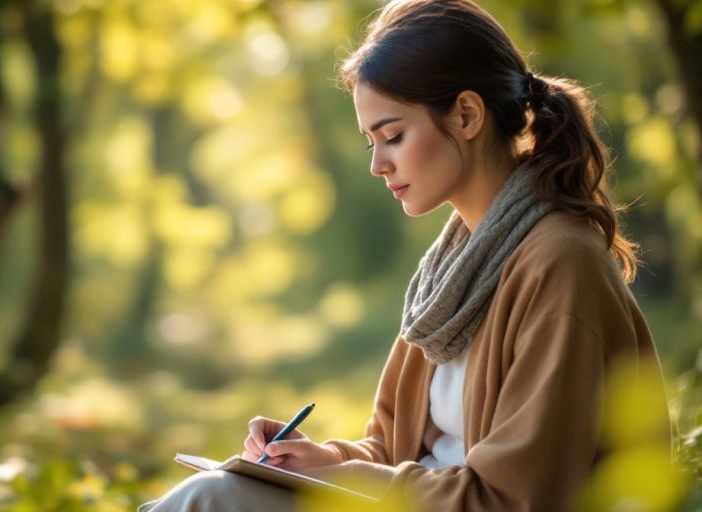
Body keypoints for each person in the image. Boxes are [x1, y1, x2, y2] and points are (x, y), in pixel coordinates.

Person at [139, 0, 672, 510]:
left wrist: (344, 477)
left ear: (466, 115)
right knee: (205, 495)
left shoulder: (560, 265)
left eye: (392, 136)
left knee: (209, 502)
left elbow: (519, 499)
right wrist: (320, 458)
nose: (379, 165)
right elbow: (396, 454)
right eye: (371, 142)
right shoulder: (452, 272)